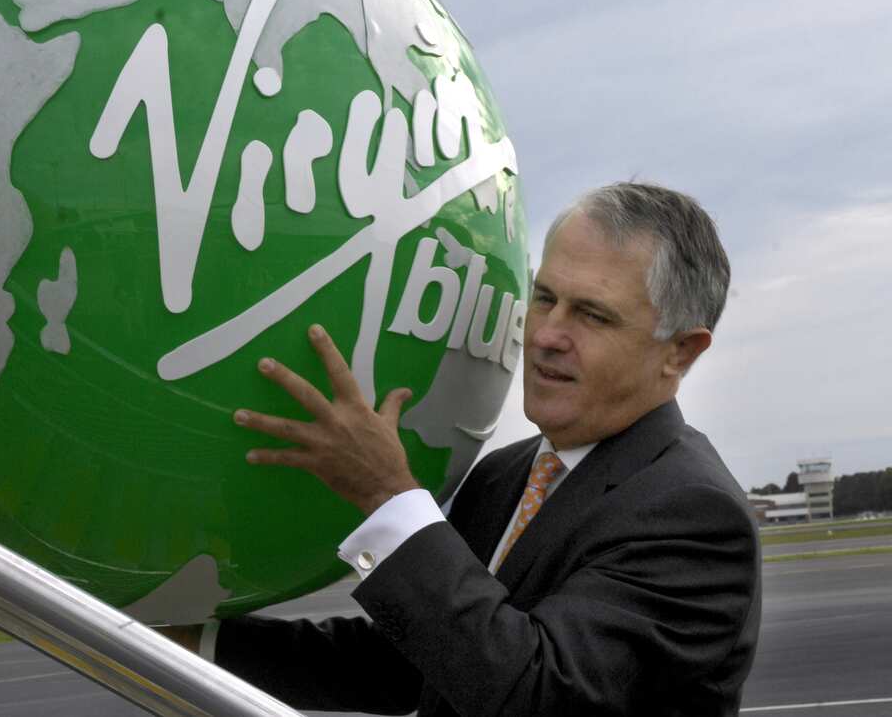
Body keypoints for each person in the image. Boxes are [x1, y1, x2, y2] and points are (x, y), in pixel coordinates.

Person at [168, 182, 761, 716]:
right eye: (545, 297)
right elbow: (419, 665)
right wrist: (189, 639)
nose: (547, 335)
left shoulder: (695, 516)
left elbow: (532, 691)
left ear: (680, 351)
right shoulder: (505, 475)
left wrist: (387, 495)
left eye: (593, 315)